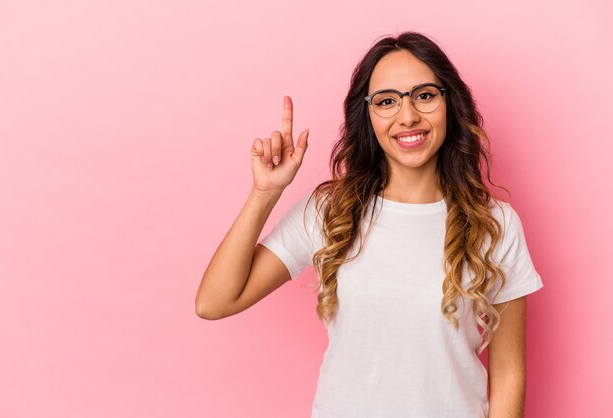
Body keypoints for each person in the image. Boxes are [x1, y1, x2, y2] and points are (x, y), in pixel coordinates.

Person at [196, 31, 543, 418]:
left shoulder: (495, 223)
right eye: (387, 101)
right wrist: (265, 192)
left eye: (424, 95)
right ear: (368, 115)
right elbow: (214, 303)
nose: (407, 116)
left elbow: (509, 371)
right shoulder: (330, 211)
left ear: (449, 102)